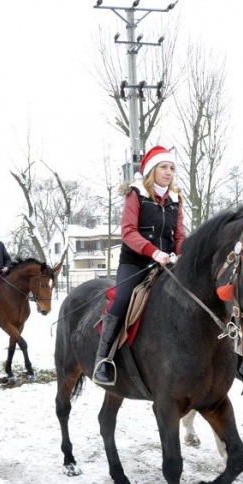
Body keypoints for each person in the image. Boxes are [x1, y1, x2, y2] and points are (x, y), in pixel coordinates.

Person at [93, 144, 185, 385]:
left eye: (172, 168)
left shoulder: (176, 199)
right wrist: (154, 252)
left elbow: (179, 236)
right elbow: (128, 232)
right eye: (164, 167)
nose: (169, 172)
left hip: (167, 263)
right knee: (122, 298)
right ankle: (103, 359)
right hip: (136, 262)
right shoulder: (136, 194)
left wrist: (182, 255)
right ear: (152, 170)